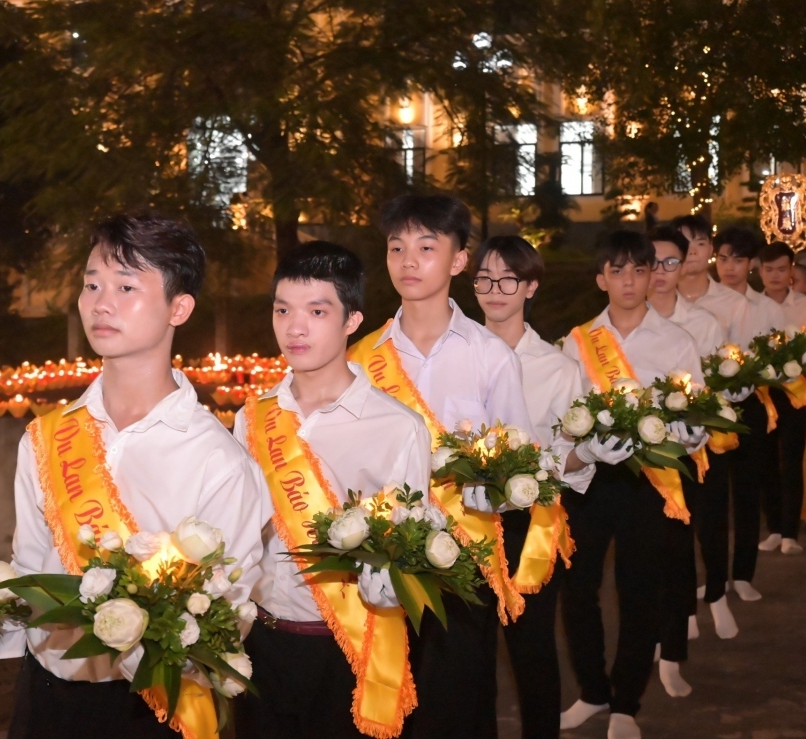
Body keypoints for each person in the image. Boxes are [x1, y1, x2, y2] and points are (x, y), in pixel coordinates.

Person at [0, 214, 267, 738]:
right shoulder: (45, 438)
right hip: (42, 699)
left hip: (153, 711)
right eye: (92, 284)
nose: (100, 303)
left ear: (179, 307)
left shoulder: (219, 462)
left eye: (126, 286)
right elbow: (28, 569)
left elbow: (229, 616)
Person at [347, 194, 534, 739]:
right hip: (379, 562)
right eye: (397, 247)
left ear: (458, 261)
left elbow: (516, 469)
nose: (409, 260)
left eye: (427, 247)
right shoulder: (361, 359)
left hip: (463, 562)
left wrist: (493, 492)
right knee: (385, 705)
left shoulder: (490, 356)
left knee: (460, 706)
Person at [234, 241, 433, 739]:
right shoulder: (252, 417)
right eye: (283, 309)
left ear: (351, 320)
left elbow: (411, 552)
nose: (294, 327)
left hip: (350, 646)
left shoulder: (397, 427)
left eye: (317, 311)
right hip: (262, 645)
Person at [558, 231, 703, 739]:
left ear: (652, 276)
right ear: (601, 278)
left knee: (640, 591)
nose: (628, 280)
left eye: (638, 270)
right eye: (616, 271)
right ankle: (593, 691)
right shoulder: (576, 344)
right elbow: (562, 421)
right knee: (578, 591)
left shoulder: (677, 342)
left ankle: (626, 701)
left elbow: (696, 417)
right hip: (591, 480)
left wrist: (686, 430)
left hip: (650, 479)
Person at [471, 234, 592, 738]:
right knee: (469, 658)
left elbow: (574, 455)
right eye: (484, 278)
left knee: (533, 650)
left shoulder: (559, 368)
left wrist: (578, 455)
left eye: (508, 279)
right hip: (464, 521)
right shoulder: (454, 358)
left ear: (531, 287)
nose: (494, 290)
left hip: (530, 524)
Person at [646, 226, 736, 702]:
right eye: (652, 262)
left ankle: (673, 652)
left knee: (679, 556)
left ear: (684, 267)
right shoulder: (613, 328)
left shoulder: (700, 326)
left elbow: (709, 398)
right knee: (642, 566)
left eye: (670, 263)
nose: (660, 274)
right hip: (628, 463)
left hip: (681, 458)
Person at [714, 227, 787, 601]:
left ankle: (742, 574)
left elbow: (779, 359)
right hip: (709, 409)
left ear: (752, 264)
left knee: (746, 490)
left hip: (750, 405)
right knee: (710, 496)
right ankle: (712, 577)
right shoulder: (701, 306)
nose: (729, 268)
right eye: (723, 259)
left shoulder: (769, 309)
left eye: (738, 260)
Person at [753, 242, 806, 557]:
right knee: (765, 463)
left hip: (794, 392)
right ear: (759, 271)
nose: (775, 276)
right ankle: (775, 528)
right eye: (769, 269)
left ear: (791, 270)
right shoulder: (748, 307)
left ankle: (791, 532)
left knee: (792, 461)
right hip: (761, 393)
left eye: (781, 269)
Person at [671, 214, 749, 346]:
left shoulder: (735, 303)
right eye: (685, 244)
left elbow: (742, 357)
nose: (692, 251)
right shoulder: (657, 301)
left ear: (711, 249)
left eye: (700, 244)